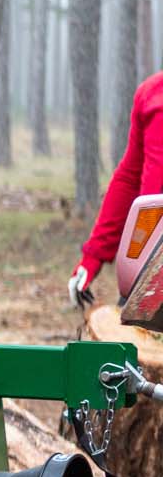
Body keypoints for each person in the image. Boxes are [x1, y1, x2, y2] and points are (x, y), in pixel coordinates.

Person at [69, 71, 163, 306]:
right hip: (148, 271)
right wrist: (93, 257)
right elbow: (129, 179)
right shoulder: (152, 94)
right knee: (134, 339)